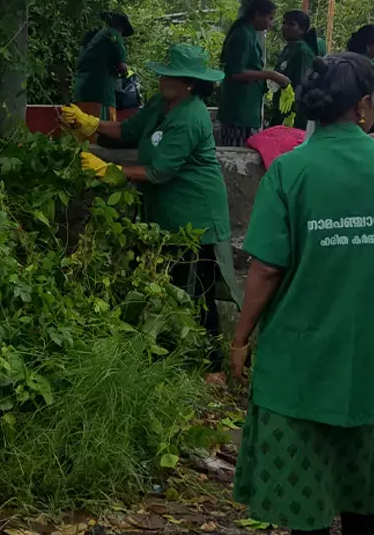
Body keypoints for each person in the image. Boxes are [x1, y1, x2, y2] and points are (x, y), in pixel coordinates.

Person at [232, 54, 374, 535]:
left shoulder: (290, 170)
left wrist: (240, 340)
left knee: (307, 489)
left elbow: (265, 269)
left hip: (300, 357)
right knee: (359, 479)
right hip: (370, 351)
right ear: (365, 106)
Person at [60, 44, 241, 367]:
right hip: (167, 213)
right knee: (167, 283)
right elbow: (128, 131)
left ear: (190, 83)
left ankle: (212, 362)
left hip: (196, 215)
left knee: (196, 288)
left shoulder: (190, 117)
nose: (161, 80)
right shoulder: (162, 103)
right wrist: (91, 124)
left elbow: (159, 172)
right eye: (163, 74)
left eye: (170, 76)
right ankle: (172, 353)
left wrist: (108, 171)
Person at [218, 0, 288, 146]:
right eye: (270, 18)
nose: (271, 23)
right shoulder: (242, 35)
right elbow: (236, 73)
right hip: (238, 108)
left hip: (248, 106)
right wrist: (271, 75)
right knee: (237, 153)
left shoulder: (251, 34)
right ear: (257, 15)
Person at [71, 11, 134, 121]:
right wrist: (125, 73)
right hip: (102, 96)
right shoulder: (114, 35)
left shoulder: (90, 35)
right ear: (121, 26)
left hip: (80, 93)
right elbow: (122, 67)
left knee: (82, 131)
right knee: (102, 132)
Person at [268, 10, 319, 128]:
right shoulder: (288, 48)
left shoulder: (302, 51)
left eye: (291, 24)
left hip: (294, 115)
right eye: (284, 23)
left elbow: (302, 84)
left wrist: (293, 112)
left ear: (302, 29)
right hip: (281, 109)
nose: (285, 27)